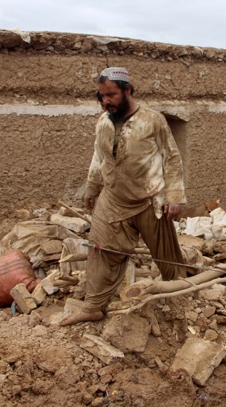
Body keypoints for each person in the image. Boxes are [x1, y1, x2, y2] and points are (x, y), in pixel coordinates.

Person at [61, 67, 187, 324]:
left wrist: (174, 196)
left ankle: (178, 296)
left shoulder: (153, 120)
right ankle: (94, 306)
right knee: (100, 249)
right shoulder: (103, 122)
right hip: (113, 200)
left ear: (127, 90)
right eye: (102, 95)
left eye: (111, 95)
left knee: (166, 256)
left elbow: (172, 158)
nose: (105, 101)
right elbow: (99, 157)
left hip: (148, 200)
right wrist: (92, 187)